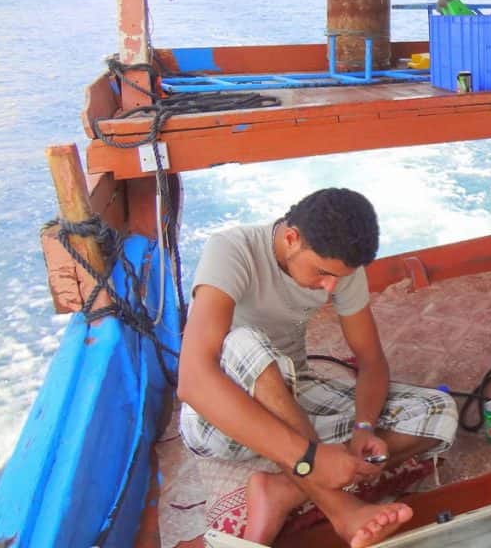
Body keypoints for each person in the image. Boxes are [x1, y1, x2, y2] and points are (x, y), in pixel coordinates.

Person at [177, 188, 458, 547]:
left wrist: (363, 427)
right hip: (220, 415)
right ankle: (338, 507)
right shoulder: (231, 250)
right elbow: (194, 381)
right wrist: (309, 458)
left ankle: (281, 490)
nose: (330, 287)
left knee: (438, 411)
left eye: (338, 278)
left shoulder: (340, 269)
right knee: (244, 341)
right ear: (291, 238)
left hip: (293, 392)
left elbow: (371, 360)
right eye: (323, 274)